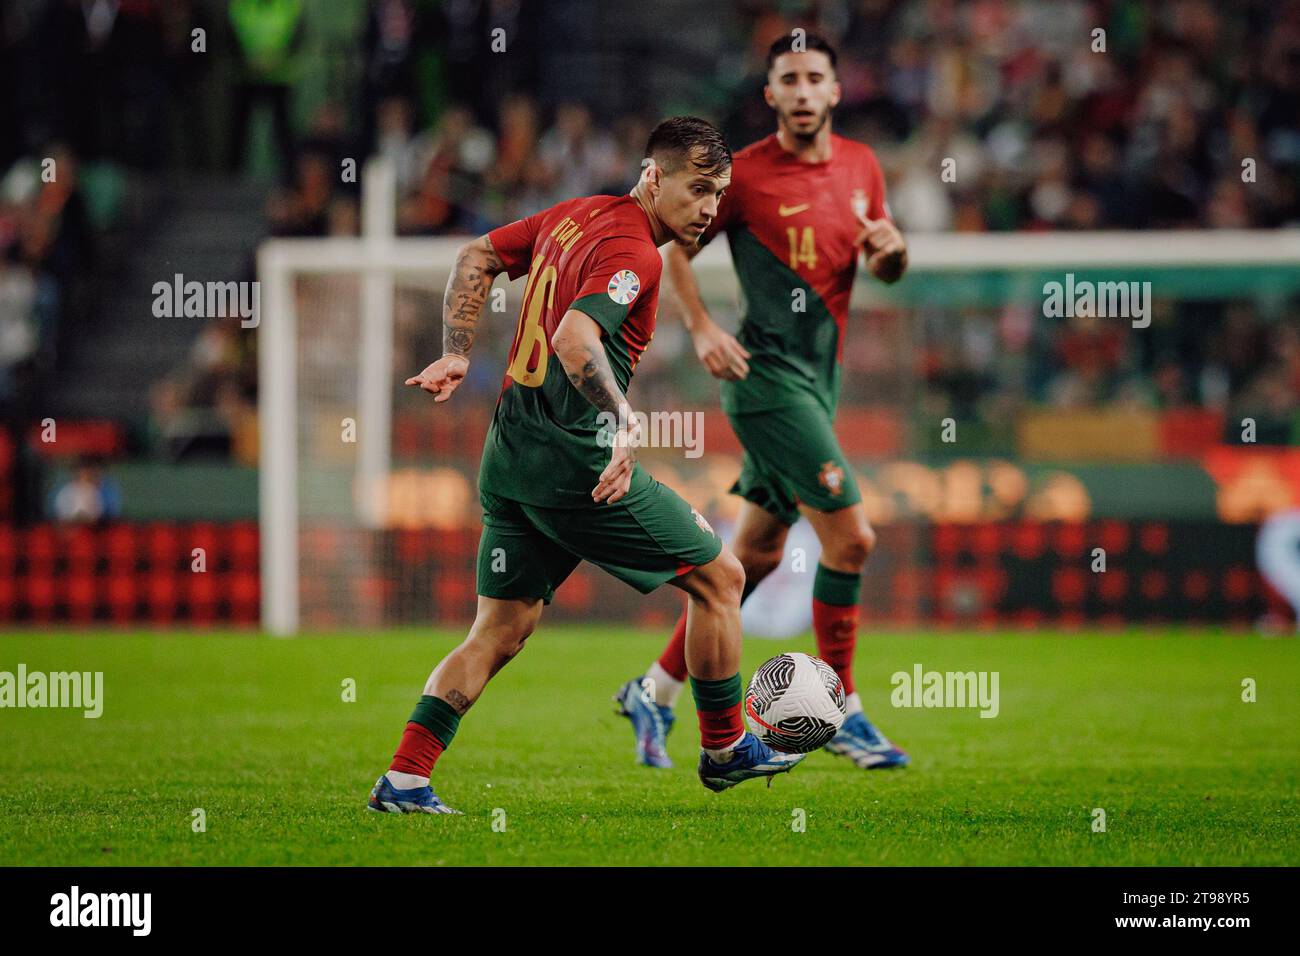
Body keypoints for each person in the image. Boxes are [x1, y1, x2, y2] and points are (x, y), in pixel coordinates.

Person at [368, 116, 805, 814]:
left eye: (718, 194)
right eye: (697, 189)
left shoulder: (572, 216)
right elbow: (575, 339)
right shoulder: (638, 253)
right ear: (653, 176)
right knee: (722, 578)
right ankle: (725, 749)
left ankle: (405, 778)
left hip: (510, 455)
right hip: (576, 464)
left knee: (500, 631)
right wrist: (624, 421)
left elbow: (477, 254)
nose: (708, 208)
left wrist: (458, 349)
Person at [615, 33, 912, 772]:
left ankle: (652, 689)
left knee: (754, 554)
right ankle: (843, 711)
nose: (805, 89)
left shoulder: (862, 166)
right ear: (771, 94)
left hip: (821, 380)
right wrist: (703, 326)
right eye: (790, 78)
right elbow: (674, 247)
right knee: (852, 539)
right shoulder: (740, 175)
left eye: (817, 77)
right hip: (765, 381)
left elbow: (883, 262)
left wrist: (893, 253)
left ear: (836, 91)